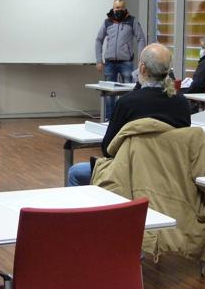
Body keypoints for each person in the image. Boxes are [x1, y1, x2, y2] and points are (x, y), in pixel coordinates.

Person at [68, 43, 191, 186]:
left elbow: (108, 149)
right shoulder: (181, 102)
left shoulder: (127, 103)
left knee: (75, 172)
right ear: (168, 70)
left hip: (130, 170)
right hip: (169, 171)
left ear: (142, 68)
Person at [95, 0, 146, 120]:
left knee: (129, 91)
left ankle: (127, 117)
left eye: (121, 7)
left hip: (126, 62)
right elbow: (98, 40)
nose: (119, 10)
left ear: (125, 8)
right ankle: (109, 118)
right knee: (109, 92)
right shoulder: (107, 22)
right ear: (113, 8)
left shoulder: (132, 21)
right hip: (109, 63)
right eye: (117, 8)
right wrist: (98, 60)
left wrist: (141, 59)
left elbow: (141, 39)